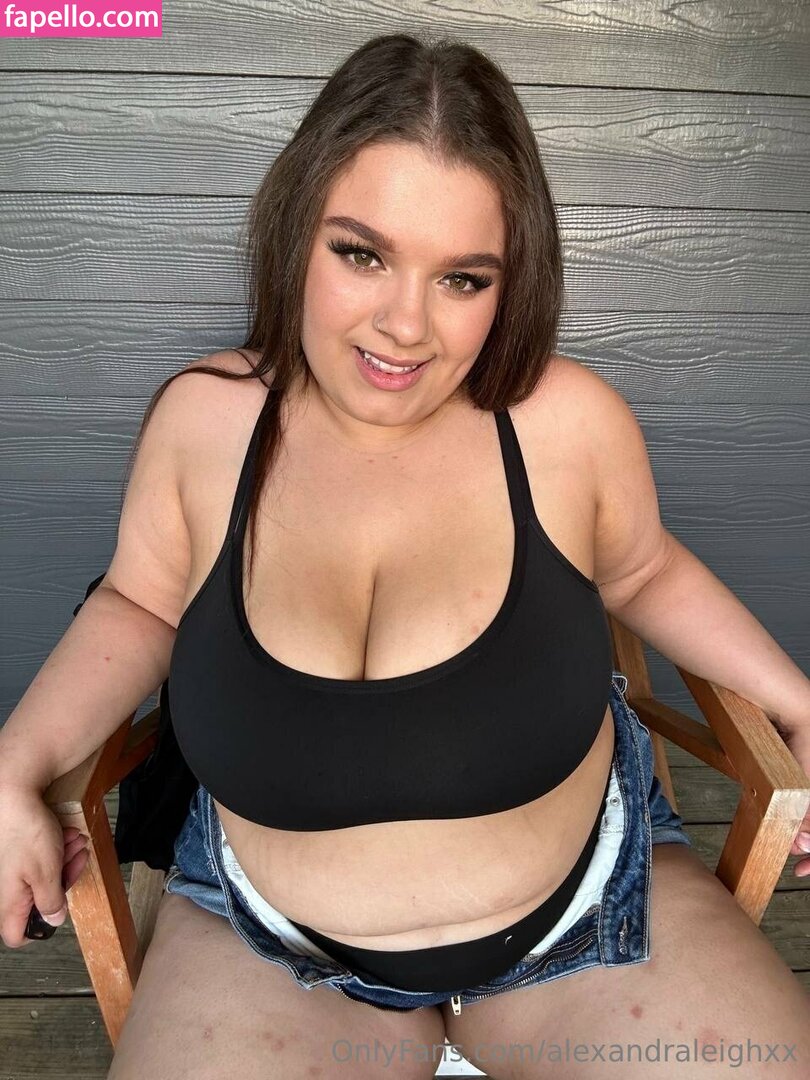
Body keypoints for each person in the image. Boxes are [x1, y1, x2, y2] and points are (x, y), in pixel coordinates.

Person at [2, 31, 809, 1080]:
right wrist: (13, 764)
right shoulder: (204, 422)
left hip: (583, 931)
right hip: (273, 949)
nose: (405, 326)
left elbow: (644, 570)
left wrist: (799, 701)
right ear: (297, 229)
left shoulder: (567, 422)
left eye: (463, 278)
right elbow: (142, 604)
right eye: (362, 254)